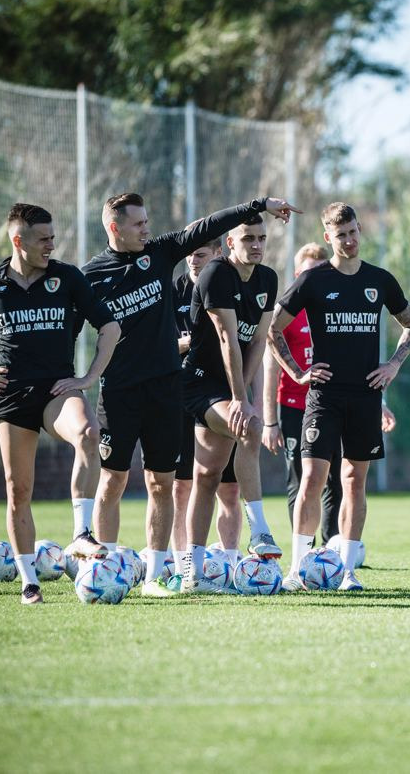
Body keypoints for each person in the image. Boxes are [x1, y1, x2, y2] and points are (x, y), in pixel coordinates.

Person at [81, 192, 298, 596]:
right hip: (120, 391)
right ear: (115, 227)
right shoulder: (90, 275)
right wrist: (76, 378)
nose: (147, 229)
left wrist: (257, 205)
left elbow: (207, 226)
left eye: (147, 222)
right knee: (112, 481)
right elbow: (64, 324)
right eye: (138, 224)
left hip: (167, 390)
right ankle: (104, 568)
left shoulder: (159, 254)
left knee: (162, 484)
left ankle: (153, 578)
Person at [0, 203, 120, 604]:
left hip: (58, 389)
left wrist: (88, 377)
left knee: (89, 433)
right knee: (18, 489)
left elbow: (109, 327)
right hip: (12, 396)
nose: (51, 245)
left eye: (52, 237)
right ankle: (29, 582)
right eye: (43, 239)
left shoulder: (67, 277)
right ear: (18, 240)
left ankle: (81, 533)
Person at [269, 202, 410, 591]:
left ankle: (348, 571)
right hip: (324, 397)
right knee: (311, 479)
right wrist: (298, 373)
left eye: (353, 232)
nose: (349, 240)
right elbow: (273, 330)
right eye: (341, 235)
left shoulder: (380, 280)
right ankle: (297, 569)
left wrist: (393, 365)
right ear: (328, 237)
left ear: (359, 231)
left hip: (366, 396)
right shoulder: (313, 280)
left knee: (354, 480)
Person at [261, 243, 395, 546]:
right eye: (305, 272)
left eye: (317, 270)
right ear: (298, 275)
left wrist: (381, 403)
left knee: (338, 479)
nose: (312, 278)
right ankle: (304, 551)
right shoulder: (290, 314)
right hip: (295, 406)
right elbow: (271, 365)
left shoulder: (338, 303)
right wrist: (270, 421)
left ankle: (332, 546)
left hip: (340, 403)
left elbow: (358, 361)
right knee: (303, 478)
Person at [176, 216, 281, 591]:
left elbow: (258, 341)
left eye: (261, 238)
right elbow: (227, 339)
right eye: (248, 238)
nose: (256, 245)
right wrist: (239, 400)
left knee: (206, 476)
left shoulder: (268, 279)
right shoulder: (216, 273)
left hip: (230, 385)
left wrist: (245, 395)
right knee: (250, 428)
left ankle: (193, 575)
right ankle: (260, 531)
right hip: (200, 382)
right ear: (230, 244)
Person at [171, 239, 242, 574]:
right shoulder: (173, 291)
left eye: (200, 255)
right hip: (182, 396)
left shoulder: (230, 283)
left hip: (222, 396)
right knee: (182, 486)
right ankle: (185, 565)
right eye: (189, 256)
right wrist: (189, 342)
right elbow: (158, 345)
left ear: (218, 253)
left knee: (229, 488)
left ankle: (231, 565)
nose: (193, 261)